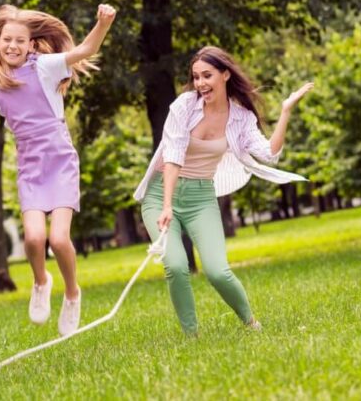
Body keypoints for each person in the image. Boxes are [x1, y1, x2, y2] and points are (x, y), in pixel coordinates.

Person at [134, 46, 312, 337]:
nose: (201, 83)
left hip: (201, 199)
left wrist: (285, 110)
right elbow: (173, 155)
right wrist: (166, 205)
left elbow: (269, 153)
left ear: (225, 75)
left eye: (207, 76)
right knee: (176, 266)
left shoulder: (240, 117)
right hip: (160, 196)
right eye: (196, 77)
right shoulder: (184, 106)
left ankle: (251, 323)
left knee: (217, 271)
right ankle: (191, 336)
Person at [0, 3, 117, 336]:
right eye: (7, 40)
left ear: (31, 44)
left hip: (61, 161)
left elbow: (86, 49)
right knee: (35, 238)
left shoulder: (45, 68)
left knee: (59, 238)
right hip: (30, 168)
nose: (13, 46)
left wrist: (102, 23)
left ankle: (72, 292)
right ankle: (41, 281)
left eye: (19, 41)